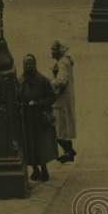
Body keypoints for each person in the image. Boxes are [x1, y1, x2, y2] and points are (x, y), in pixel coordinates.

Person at [20, 53, 58, 183]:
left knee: (40, 145)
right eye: (26, 64)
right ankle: (35, 169)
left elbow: (52, 97)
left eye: (30, 63)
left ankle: (44, 170)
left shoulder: (42, 80)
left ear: (35, 64)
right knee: (28, 146)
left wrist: (38, 103)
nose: (28, 66)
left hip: (39, 118)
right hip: (26, 119)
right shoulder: (21, 81)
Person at [49, 41, 76, 163]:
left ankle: (68, 151)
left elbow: (62, 80)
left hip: (60, 100)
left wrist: (50, 83)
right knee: (63, 128)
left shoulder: (62, 63)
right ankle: (69, 150)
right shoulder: (64, 62)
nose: (51, 52)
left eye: (53, 50)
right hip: (64, 99)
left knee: (58, 129)